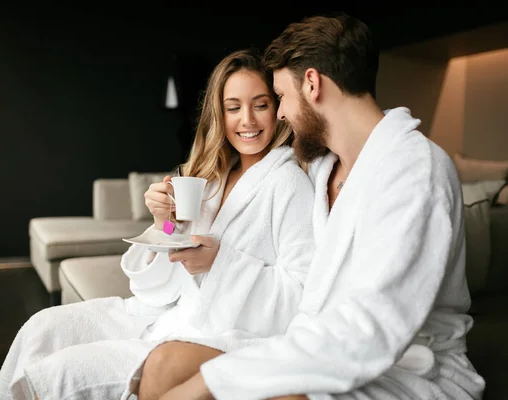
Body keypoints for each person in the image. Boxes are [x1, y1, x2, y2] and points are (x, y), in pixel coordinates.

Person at [139, 13, 487, 400]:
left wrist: (217, 379)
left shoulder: (414, 171)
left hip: (405, 368)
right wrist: (166, 225)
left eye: (280, 98)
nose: (282, 114)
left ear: (312, 83)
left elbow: (373, 327)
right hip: (314, 345)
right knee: (163, 369)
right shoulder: (323, 168)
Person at [0, 48, 316, 400]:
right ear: (219, 114)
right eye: (233, 107)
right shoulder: (214, 177)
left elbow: (301, 294)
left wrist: (222, 263)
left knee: (59, 375)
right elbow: (172, 263)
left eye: (260, 104)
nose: (247, 120)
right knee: (43, 327)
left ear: (277, 107)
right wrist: (164, 224)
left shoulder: (289, 183)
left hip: (213, 331)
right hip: (161, 314)